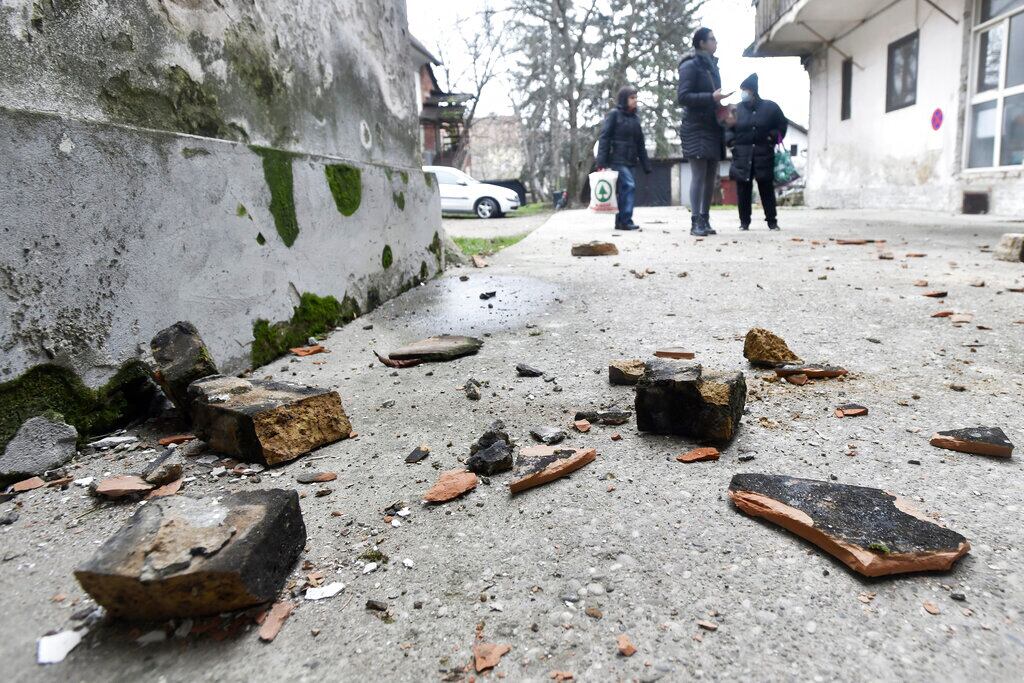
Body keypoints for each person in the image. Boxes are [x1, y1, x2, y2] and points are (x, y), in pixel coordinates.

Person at [678, 28, 728, 237]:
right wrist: (711, 97)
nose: (716, 42)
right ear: (701, 43)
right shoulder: (690, 66)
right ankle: (695, 221)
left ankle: (705, 219)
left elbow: (713, 97)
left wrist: (725, 108)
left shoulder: (713, 67)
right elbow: (683, 97)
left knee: (710, 176)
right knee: (699, 175)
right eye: (712, 39)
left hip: (712, 126)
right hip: (695, 127)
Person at [727, 73, 788, 231]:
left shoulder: (771, 108)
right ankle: (744, 222)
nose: (743, 93)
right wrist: (731, 143)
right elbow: (727, 129)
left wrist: (772, 137)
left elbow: (782, 125)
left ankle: (772, 221)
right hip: (741, 156)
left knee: (766, 189)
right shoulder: (736, 109)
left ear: (753, 91)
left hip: (764, 155)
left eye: (745, 90)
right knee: (743, 191)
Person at [596, 86, 652, 231]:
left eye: (636, 98)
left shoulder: (635, 119)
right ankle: (626, 220)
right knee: (629, 186)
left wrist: (646, 165)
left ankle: (620, 221)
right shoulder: (614, 115)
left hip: (631, 160)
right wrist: (601, 162)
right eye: (632, 98)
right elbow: (604, 137)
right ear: (624, 99)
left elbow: (640, 143)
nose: (635, 101)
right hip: (617, 160)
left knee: (624, 190)